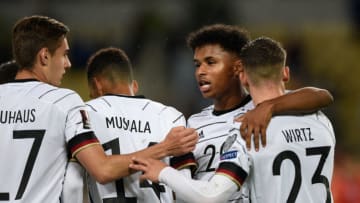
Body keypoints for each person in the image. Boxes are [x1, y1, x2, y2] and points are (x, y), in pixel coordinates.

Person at [0, 15, 197, 202]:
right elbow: (101, 170)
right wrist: (165, 147)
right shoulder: (64, 101)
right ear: (44, 56)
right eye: (64, 55)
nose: (68, 64)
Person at [130, 37, 336, 203]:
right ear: (285, 73)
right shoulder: (320, 119)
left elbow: (211, 196)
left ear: (243, 77)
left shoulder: (247, 130)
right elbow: (322, 95)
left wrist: (163, 172)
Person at [83, 47, 187, 202]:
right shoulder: (172, 116)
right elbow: (184, 187)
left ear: (97, 84)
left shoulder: (84, 112)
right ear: (134, 85)